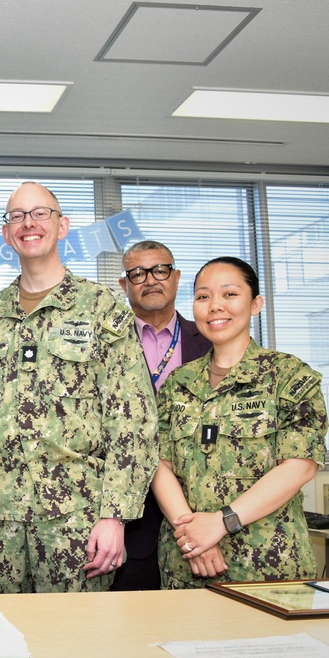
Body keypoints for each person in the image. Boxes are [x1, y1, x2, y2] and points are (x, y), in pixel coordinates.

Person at [0, 181, 158, 594]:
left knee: (79, 645)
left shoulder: (102, 307)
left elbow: (132, 419)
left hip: (77, 519)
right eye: (16, 216)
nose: (28, 223)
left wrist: (115, 516)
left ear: (62, 225)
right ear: (5, 233)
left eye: (39, 213)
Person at [151, 256, 327, 589]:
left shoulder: (289, 376)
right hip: (185, 564)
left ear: (256, 303)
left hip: (266, 565)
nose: (214, 306)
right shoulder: (178, 382)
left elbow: (299, 465)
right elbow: (159, 463)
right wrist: (191, 535)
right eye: (203, 297)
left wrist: (220, 523)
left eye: (229, 294)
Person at [111, 240, 212, 591]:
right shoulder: (105, 344)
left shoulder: (213, 340)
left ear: (176, 277)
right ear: (124, 285)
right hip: (127, 522)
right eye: (137, 273)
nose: (150, 280)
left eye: (160, 270)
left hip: (202, 514)